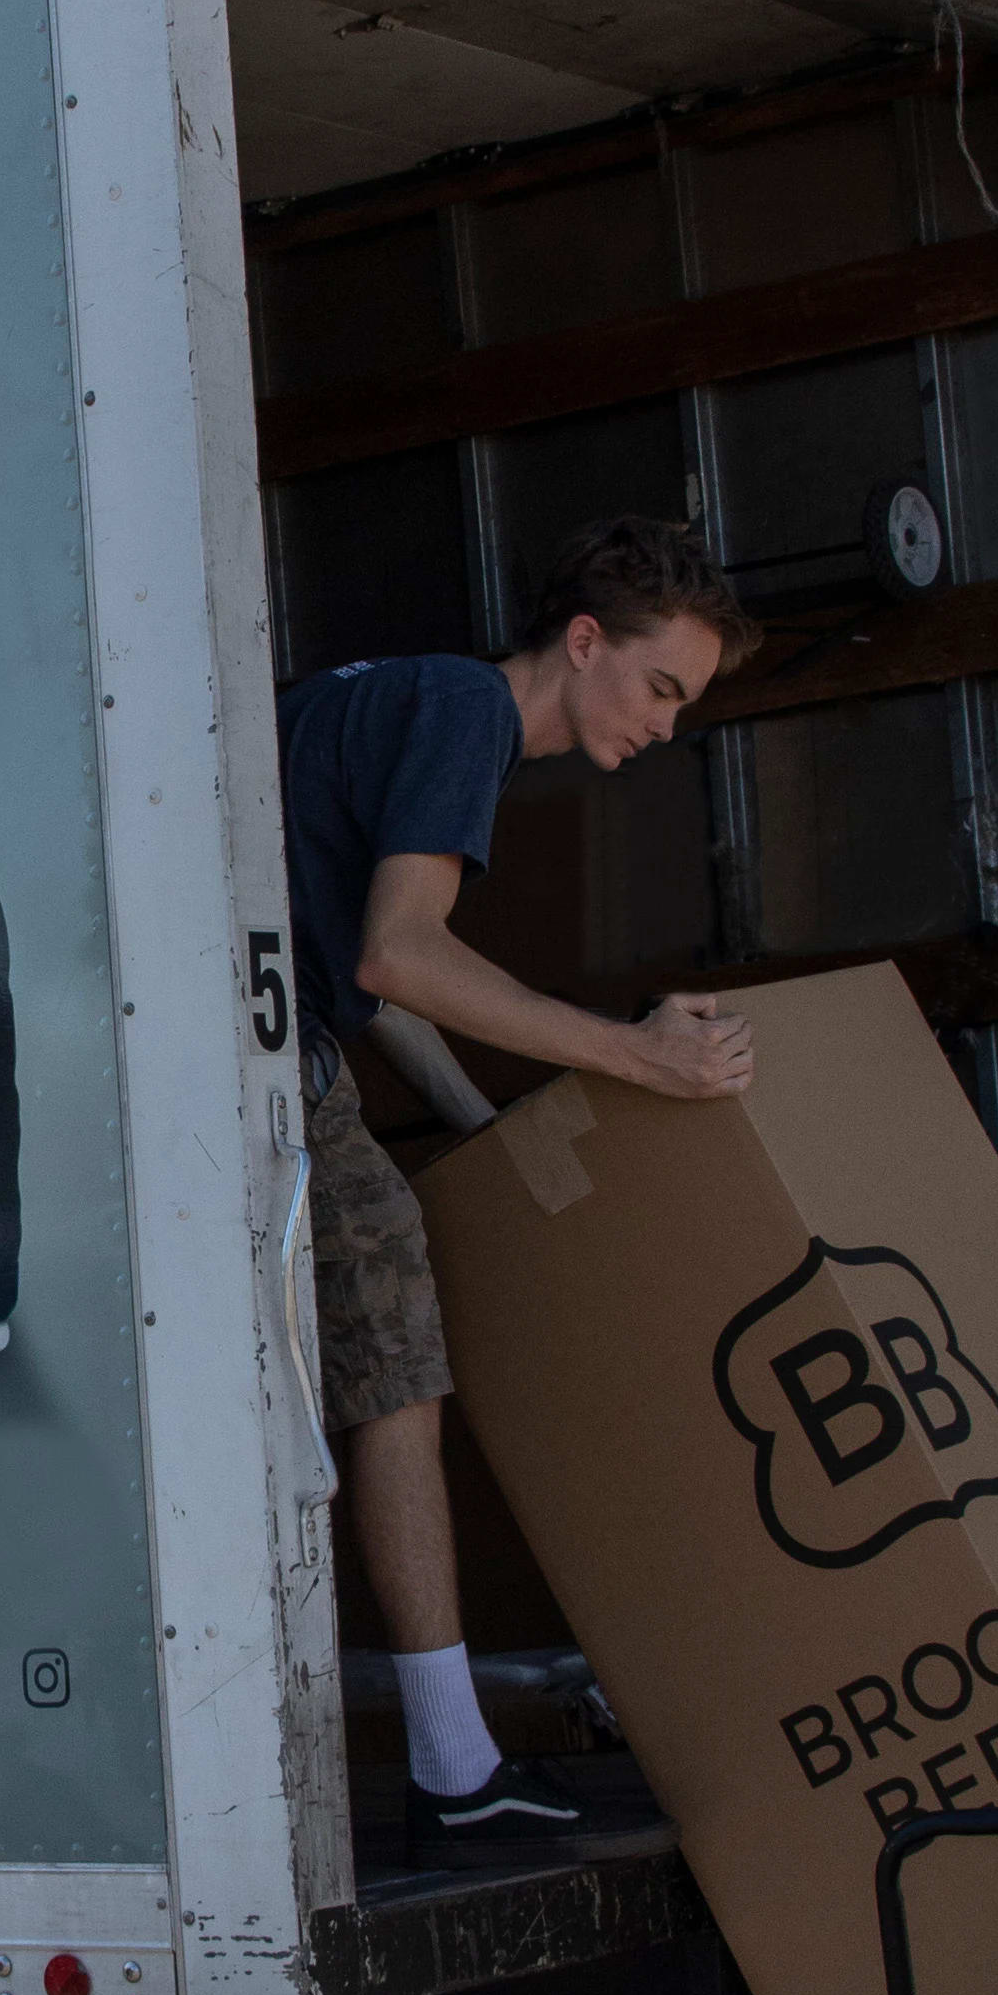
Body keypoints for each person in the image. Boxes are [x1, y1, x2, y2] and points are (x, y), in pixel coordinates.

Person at [278, 514, 763, 1835]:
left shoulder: (403, 697)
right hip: (248, 1047)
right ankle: (452, 1768)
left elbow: (371, 976)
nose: (666, 727)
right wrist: (637, 1061)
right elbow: (399, 959)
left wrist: (489, 1134)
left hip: (248, 1036)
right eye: (662, 687)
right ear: (586, 641)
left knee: (369, 1334)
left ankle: (440, 1757)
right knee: (395, 1355)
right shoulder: (465, 711)